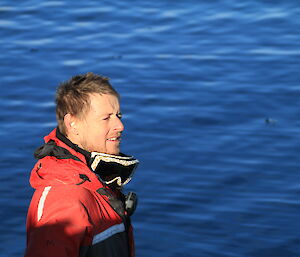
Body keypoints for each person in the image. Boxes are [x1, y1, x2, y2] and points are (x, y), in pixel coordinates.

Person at [25, 72, 139, 257]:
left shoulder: (95, 181)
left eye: (118, 115)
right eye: (106, 118)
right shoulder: (64, 199)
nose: (120, 125)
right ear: (73, 123)